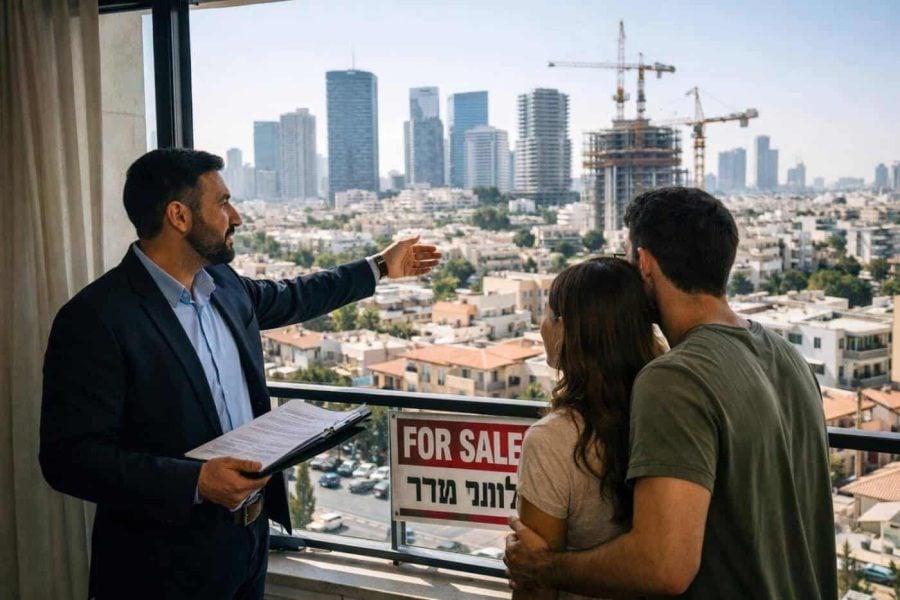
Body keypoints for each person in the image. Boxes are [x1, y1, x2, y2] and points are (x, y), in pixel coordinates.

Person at [39, 148, 441, 599]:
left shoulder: (226, 287)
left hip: (248, 542)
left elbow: (296, 295)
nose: (237, 217)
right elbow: (68, 459)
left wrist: (381, 266)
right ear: (179, 216)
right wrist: (194, 481)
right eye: (223, 202)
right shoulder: (97, 318)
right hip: (160, 566)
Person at [505, 187, 837, 599]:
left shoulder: (676, 378)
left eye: (629, 260)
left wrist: (543, 566)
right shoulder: (789, 357)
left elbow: (664, 566)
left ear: (644, 263)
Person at [515, 257, 663, 600]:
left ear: (566, 329)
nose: (542, 326)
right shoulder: (665, 412)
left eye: (550, 315)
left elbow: (536, 581)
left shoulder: (552, 440)